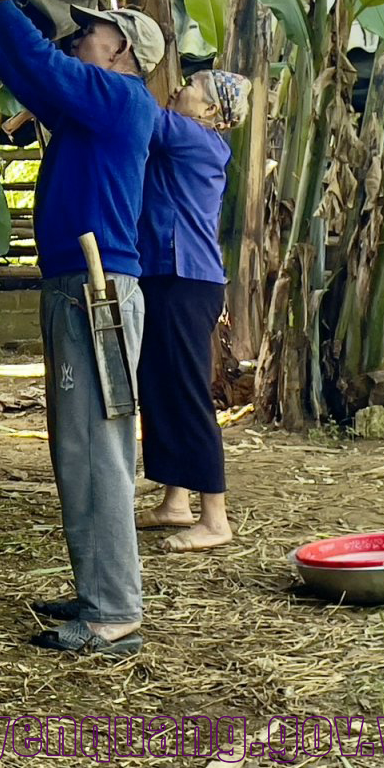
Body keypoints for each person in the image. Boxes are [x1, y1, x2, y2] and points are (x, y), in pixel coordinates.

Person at [0, 0, 163, 656]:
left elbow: (40, 67)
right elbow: (30, 73)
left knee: (93, 448)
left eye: (93, 32)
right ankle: (100, 590)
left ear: (125, 50)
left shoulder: (119, 97)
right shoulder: (94, 110)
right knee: (80, 446)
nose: (79, 37)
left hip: (95, 291)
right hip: (82, 285)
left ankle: (112, 611)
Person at [136, 68, 250, 553]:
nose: (179, 87)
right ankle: (175, 501)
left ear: (209, 111)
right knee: (160, 387)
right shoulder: (192, 137)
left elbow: (138, 113)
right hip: (172, 275)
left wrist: (119, 70)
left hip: (186, 279)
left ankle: (216, 518)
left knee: (185, 392)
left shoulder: (191, 136)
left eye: (192, 87)